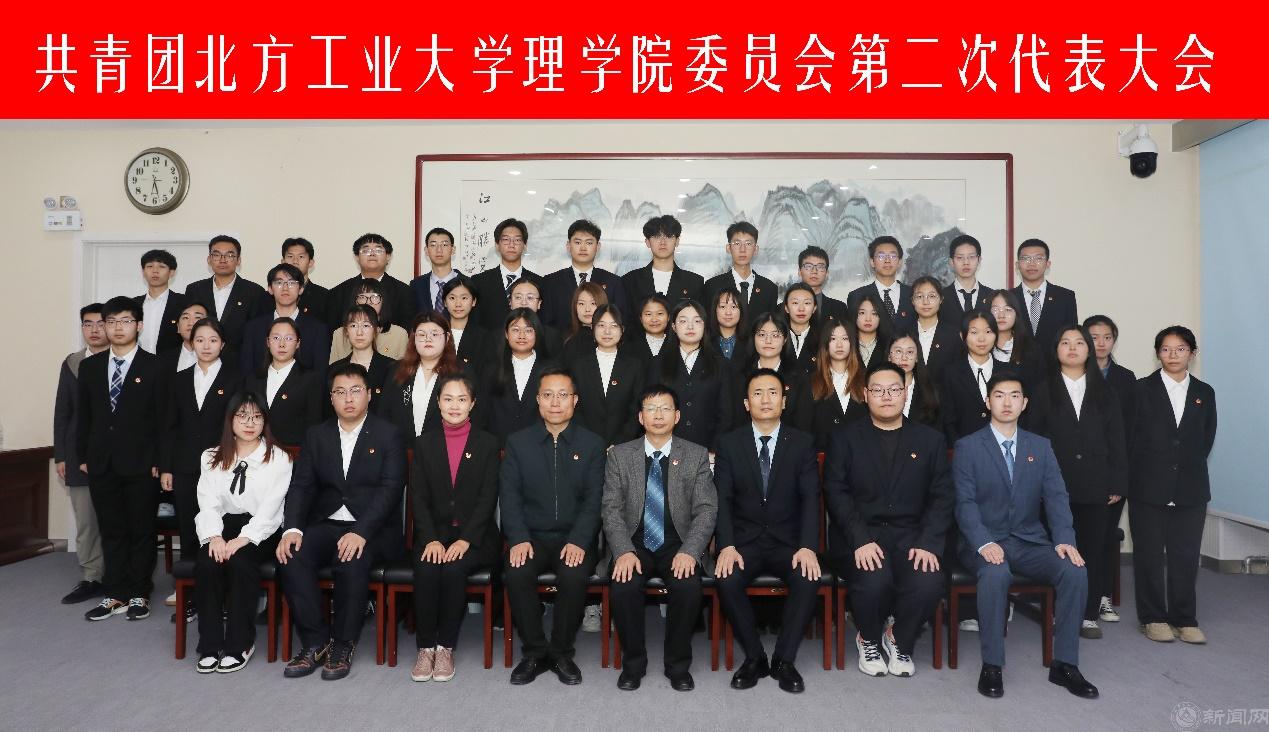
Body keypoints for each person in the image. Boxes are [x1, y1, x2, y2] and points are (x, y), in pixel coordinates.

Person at [953, 373, 1098, 700]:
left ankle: (1065, 664)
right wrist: (984, 542)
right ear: (988, 402)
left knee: (1074, 570)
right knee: (995, 573)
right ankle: (992, 664)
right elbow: (964, 503)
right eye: (999, 395)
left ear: (1024, 403)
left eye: (1014, 395)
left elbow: (1057, 497)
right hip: (983, 542)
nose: (1007, 402)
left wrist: (1064, 539)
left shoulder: (1040, 447)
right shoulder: (968, 447)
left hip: (1029, 541)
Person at [277, 362, 407, 680]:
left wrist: (361, 531)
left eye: (355, 391)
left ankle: (343, 644)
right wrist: (292, 528)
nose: (348, 398)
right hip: (327, 523)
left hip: (373, 528)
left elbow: (390, 490)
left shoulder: (388, 434)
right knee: (291, 554)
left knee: (351, 557)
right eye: (340, 392)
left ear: (369, 394)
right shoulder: (317, 435)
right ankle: (316, 641)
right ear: (331, 398)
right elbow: (302, 486)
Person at [825, 363, 952, 678]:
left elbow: (942, 497)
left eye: (894, 389)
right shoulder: (845, 438)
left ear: (905, 393)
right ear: (865, 394)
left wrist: (928, 543)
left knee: (929, 581)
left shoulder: (930, 440)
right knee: (874, 579)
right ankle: (868, 638)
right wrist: (860, 540)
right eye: (878, 390)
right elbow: (836, 493)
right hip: (861, 535)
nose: (886, 396)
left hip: (912, 536)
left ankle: (899, 638)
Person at [712, 368, 822, 694]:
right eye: (757, 393)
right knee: (727, 578)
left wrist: (808, 546)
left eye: (773, 392)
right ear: (746, 403)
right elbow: (722, 499)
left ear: (783, 401)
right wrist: (726, 545)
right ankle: (755, 657)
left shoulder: (802, 443)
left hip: (788, 543)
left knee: (807, 577)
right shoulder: (729, 443)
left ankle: (784, 660)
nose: (765, 399)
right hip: (744, 543)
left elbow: (810, 499)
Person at [603, 384, 717, 692]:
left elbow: (706, 510)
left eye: (665, 409)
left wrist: (691, 551)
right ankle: (633, 665)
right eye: (651, 409)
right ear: (640, 417)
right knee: (624, 585)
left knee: (687, 586)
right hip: (635, 542)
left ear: (677, 416)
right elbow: (610, 510)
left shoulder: (695, 455)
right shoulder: (620, 455)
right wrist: (623, 551)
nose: (658, 415)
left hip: (678, 542)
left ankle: (677, 665)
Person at [500, 368, 606, 685]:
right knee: (516, 572)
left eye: (563, 395)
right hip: (531, 537)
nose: (555, 403)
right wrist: (518, 538)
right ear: (538, 400)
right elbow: (509, 497)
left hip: (574, 538)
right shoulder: (518, 443)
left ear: (575, 400)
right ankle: (534, 652)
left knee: (573, 575)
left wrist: (579, 540)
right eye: (548, 395)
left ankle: (561, 653)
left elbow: (595, 500)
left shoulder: (593, 444)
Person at [1031, 325, 1127, 640]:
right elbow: (1033, 440)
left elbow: (1117, 440)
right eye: (1065, 342)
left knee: (1092, 551)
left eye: (1079, 343)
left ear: (1088, 349)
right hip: (1052, 487)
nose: (1072, 348)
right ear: (1056, 349)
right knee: (1057, 551)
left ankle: (1087, 615)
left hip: (1096, 484)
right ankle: (1057, 611)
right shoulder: (1042, 390)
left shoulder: (1106, 392)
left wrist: (1117, 482)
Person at [408, 374, 500, 683]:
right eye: (448, 399)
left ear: (472, 403)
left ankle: (445, 647)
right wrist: (430, 539)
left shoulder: (488, 444)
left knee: (453, 569)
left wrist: (466, 540)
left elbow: (488, 498)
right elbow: (418, 498)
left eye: (462, 399)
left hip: (476, 537)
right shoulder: (424, 444)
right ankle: (425, 648)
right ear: (438, 402)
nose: (454, 405)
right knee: (426, 567)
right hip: (433, 534)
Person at [192, 391, 291, 674]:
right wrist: (214, 537)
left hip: (262, 529)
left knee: (240, 561)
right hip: (222, 525)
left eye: (257, 417)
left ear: (265, 421)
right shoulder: (211, 456)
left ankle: (240, 644)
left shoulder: (279, 458)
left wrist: (244, 538)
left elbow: (271, 508)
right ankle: (210, 645)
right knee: (207, 563)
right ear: (230, 420)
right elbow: (207, 502)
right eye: (243, 416)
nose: (250, 423)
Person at [1129, 326, 1217, 645]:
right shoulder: (1141, 389)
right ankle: (1153, 617)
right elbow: (1131, 437)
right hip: (1147, 486)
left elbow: (1205, 438)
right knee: (1149, 555)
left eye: (1181, 349)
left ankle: (1184, 618)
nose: (1173, 355)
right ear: (1157, 354)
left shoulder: (1204, 392)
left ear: (1192, 354)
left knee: (1185, 555)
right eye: (1166, 349)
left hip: (1191, 487)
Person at [79, 297, 165, 622]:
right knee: (111, 529)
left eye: (125, 321)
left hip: (142, 463)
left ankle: (140, 592)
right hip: (101, 463)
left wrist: (161, 459)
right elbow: (84, 417)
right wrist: (83, 456)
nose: (117, 328)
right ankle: (114, 593)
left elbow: (163, 419)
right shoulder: (90, 367)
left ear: (138, 325)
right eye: (111, 321)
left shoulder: (155, 366)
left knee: (142, 529)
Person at [159, 318, 242, 622]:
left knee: (222, 529)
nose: (206, 346)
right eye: (200, 340)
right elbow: (169, 426)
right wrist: (167, 467)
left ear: (223, 344)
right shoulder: (179, 379)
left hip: (222, 466)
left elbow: (239, 424)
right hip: (184, 467)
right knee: (189, 530)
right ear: (191, 344)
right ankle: (191, 597)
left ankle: (223, 597)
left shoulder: (236, 378)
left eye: (213, 340)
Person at [54, 303, 108, 605]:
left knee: (115, 519)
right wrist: (61, 455)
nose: (95, 330)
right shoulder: (72, 362)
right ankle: (91, 576)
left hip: (113, 454)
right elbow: (63, 411)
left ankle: (117, 575)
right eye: (88, 324)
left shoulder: (122, 361)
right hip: (76, 453)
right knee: (86, 521)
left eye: (100, 323)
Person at [1084, 314, 1136, 624]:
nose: (1100, 343)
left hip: (1113, 470)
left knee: (1105, 537)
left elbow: (1127, 432)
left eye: (1107, 337)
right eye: (1093, 337)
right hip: (1082, 472)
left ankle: (1102, 597)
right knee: (1082, 538)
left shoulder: (1126, 379)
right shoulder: (1075, 374)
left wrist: (1119, 477)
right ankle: (1079, 597)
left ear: (1114, 340)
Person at [652, 299, 732, 452]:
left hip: (707, 450)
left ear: (705, 326)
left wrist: (714, 450)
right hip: (666, 448)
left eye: (697, 321)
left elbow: (726, 414)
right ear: (674, 326)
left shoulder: (720, 365)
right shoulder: (658, 364)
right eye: (683, 321)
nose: (690, 326)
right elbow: (650, 409)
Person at [478, 308, 556, 446]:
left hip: (541, 447)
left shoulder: (551, 370)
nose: (521, 335)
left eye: (528, 330)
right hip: (499, 448)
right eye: (515, 330)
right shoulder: (491, 370)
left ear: (537, 333)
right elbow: (482, 412)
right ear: (506, 334)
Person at [378, 313, 461, 442]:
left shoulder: (460, 372)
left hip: (445, 448)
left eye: (434, 334)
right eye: (422, 335)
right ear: (414, 338)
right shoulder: (396, 370)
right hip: (401, 448)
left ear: (447, 337)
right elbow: (384, 413)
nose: (428, 339)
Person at [571, 304, 644, 447]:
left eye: (614, 326)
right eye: (601, 325)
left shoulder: (634, 366)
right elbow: (575, 408)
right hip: (586, 445)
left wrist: (620, 443)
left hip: (624, 446)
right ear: (593, 329)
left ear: (622, 330)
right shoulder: (579, 366)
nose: (607, 331)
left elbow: (636, 409)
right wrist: (590, 442)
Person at [239, 263, 331, 374]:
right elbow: (247, 371)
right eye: (279, 282)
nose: (285, 288)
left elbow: (320, 373)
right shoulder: (253, 327)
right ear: (270, 289)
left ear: (301, 289)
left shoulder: (318, 329)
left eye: (292, 283)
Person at [244, 318, 322, 446]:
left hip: (294, 452)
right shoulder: (253, 379)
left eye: (289, 338)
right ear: (268, 342)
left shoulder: (310, 379)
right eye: (276, 338)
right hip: (256, 450)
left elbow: (314, 424)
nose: (282, 344)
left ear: (298, 343)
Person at [184, 235, 268, 353]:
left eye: (229, 255)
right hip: (201, 356)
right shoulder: (195, 290)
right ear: (209, 259)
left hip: (240, 358)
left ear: (238, 260)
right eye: (217, 255)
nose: (222, 260)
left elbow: (258, 332)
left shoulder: (254, 292)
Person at [732, 313, 814, 433]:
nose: (768, 341)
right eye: (762, 335)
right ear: (753, 338)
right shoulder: (739, 375)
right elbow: (735, 420)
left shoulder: (799, 377)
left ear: (785, 339)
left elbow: (803, 423)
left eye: (775, 335)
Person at [541, 219, 628, 329]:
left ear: (598, 246)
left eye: (589, 243)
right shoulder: (551, 282)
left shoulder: (613, 282)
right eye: (577, 242)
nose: (583, 248)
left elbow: (620, 320)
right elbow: (546, 324)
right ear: (568, 246)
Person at [621, 215, 705, 328]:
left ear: (677, 241)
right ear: (647, 242)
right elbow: (626, 321)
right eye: (656, 237)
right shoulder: (630, 280)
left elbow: (699, 322)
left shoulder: (694, 282)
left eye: (669, 236)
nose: (662, 242)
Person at [940, 312, 1009, 446]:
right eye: (974, 332)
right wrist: (960, 448)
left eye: (988, 332)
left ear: (996, 335)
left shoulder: (1008, 372)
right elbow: (947, 419)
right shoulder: (950, 374)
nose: (981, 339)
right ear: (963, 336)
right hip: (964, 448)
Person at [326, 232, 417, 331]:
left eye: (378, 250)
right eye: (365, 250)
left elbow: (407, 331)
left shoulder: (404, 292)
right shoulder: (338, 293)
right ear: (357, 257)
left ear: (388, 256)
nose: (372, 254)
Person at [471, 218, 543, 331]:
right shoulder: (479, 281)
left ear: (525, 245)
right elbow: (475, 322)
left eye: (517, 240)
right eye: (506, 239)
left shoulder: (539, 282)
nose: (511, 245)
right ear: (497, 245)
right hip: (490, 341)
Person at [703, 222, 777, 327]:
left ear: (756, 249)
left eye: (748, 244)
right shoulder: (712, 286)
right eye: (737, 243)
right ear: (728, 248)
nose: (742, 250)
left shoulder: (769, 288)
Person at [1011, 238, 1078, 350]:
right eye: (1026, 258)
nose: (1032, 263)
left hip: (1054, 360)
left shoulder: (1065, 297)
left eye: (1038, 258)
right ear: (1017, 265)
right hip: (1016, 360)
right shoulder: (1007, 298)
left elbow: (1071, 335)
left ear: (1048, 264)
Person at [810, 322, 868, 450]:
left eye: (845, 338)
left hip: (862, 453)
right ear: (825, 343)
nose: (839, 344)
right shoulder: (812, 381)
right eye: (833, 339)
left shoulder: (866, 379)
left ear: (852, 343)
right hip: (823, 454)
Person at [327, 305, 397, 410]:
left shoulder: (392, 367)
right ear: (346, 331)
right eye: (353, 325)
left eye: (366, 325)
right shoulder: (335, 369)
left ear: (376, 330)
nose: (359, 332)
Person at [328, 278, 409, 361]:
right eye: (362, 297)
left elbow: (403, 367)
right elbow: (334, 367)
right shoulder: (339, 334)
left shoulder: (399, 334)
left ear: (383, 301)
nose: (368, 302)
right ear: (355, 301)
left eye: (374, 297)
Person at [848, 236, 914, 336]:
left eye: (893, 256)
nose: (887, 260)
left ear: (899, 262)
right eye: (881, 256)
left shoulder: (913, 294)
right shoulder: (856, 296)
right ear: (872, 262)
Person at [987, 289, 1045, 391]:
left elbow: (1040, 390)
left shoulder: (1031, 350)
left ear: (1016, 314)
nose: (1001, 315)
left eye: (1008, 309)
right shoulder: (980, 347)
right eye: (995, 310)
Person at [909, 275, 962, 384]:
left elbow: (959, 373)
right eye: (919, 296)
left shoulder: (953, 335)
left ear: (941, 299)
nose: (926, 302)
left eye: (932, 296)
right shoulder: (903, 333)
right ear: (912, 301)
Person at [134, 249, 187, 354]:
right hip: (137, 362)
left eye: (161, 266)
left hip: (172, 361)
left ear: (171, 272)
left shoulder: (184, 303)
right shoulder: (133, 304)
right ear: (143, 272)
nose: (155, 271)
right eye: (150, 266)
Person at [939, 234, 995, 325]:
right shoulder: (941, 297)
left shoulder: (991, 296)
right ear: (951, 262)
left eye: (971, 257)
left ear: (979, 260)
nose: (966, 262)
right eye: (960, 258)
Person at [888, 334, 941, 428]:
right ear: (889, 357)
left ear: (917, 357)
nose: (904, 358)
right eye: (898, 351)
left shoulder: (931, 390)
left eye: (910, 352)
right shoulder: (876, 388)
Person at [410, 227, 462, 317]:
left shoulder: (467, 283)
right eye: (433, 245)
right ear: (426, 250)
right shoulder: (416, 285)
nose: (439, 250)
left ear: (453, 249)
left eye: (444, 245)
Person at [507, 278, 565, 358]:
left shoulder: (553, 337)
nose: (524, 303)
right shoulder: (496, 337)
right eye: (518, 297)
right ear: (510, 302)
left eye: (530, 298)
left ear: (539, 304)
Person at [441, 275, 486, 372]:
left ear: (473, 301)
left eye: (464, 298)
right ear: (445, 302)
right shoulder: (436, 333)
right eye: (452, 298)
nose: (458, 304)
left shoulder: (484, 338)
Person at [796, 245, 849, 324]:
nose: (814, 271)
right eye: (808, 266)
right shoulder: (783, 308)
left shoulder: (840, 308)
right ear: (799, 272)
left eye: (820, 267)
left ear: (827, 273)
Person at [158, 301, 211, 377]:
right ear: (178, 327)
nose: (191, 323)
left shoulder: (222, 359)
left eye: (197, 317)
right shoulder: (162, 360)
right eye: (185, 317)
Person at [281, 237, 329, 319]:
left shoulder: (324, 296)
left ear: (310, 263)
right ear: (283, 262)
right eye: (290, 256)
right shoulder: (271, 295)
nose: (295, 261)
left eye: (301, 257)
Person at [782, 283, 821, 375]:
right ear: (786, 308)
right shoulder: (777, 338)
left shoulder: (823, 339)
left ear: (814, 308)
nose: (801, 309)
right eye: (795, 303)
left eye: (807, 303)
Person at [562, 282, 607, 359]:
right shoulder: (566, 338)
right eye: (581, 304)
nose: (587, 309)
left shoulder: (613, 336)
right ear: (575, 307)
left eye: (593, 303)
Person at [626, 294, 671, 366]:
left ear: (668, 317)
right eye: (648, 314)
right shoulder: (628, 349)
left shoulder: (678, 347)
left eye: (660, 313)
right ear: (641, 319)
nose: (654, 319)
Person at [853, 290, 892, 369]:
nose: (868, 319)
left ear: (880, 317)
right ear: (854, 315)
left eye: (874, 313)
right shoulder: (847, 344)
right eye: (862, 313)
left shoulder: (889, 346)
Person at [707, 286, 745, 360]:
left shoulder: (752, 343)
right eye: (723, 306)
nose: (728, 313)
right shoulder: (704, 342)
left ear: (741, 311)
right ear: (715, 310)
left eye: (733, 307)